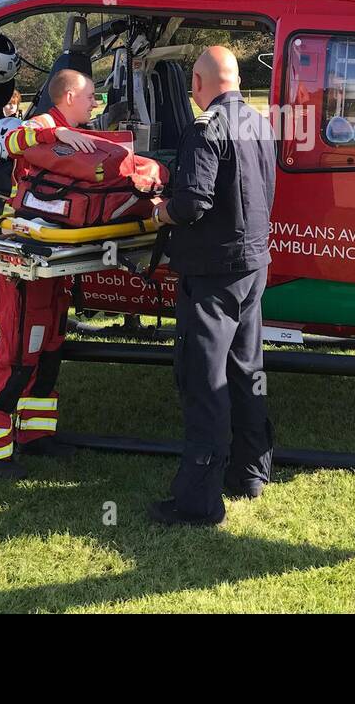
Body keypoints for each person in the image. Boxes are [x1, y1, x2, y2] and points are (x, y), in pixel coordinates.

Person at [146, 47, 277, 527]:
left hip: (212, 272)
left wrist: (160, 211)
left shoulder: (205, 129)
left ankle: (198, 501)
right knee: (247, 368)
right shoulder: (260, 123)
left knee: (205, 378)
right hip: (252, 266)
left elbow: (192, 202)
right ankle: (251, 472)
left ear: (199, 84)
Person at [0, 68, 104, 480]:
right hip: (26, 265)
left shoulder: (79, 130)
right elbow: (13, 140)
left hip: (56, 261)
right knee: (17, 355)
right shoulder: (45, 125)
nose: (94, 104)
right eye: (89, 96)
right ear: (68, 97)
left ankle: (36, 435)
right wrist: (56, 135)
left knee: (48, 348)